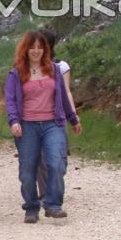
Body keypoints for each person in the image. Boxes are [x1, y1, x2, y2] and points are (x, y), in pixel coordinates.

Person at [5, 31, 81, 224]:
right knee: (27, 171)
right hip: (27, 125)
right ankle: (31, 207)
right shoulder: (16, 73)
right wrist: (14, 121)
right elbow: (11, 100)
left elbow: (62, 96)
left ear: (45, 49)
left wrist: (73, 119)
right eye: (32, 47)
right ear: (26, 49)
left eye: (40, 47)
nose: (36, 51)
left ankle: (53, 205)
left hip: (52, 124)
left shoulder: (53, 69)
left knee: (56, 163)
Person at [36, 29, 77, 200]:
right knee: (40, 157)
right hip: (37, 117)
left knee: (60, 159)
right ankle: (46, 192)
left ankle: (55, 181)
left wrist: (73, 114)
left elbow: (66, 91)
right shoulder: (29, 67)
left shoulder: (61, 66)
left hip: (58, 116)